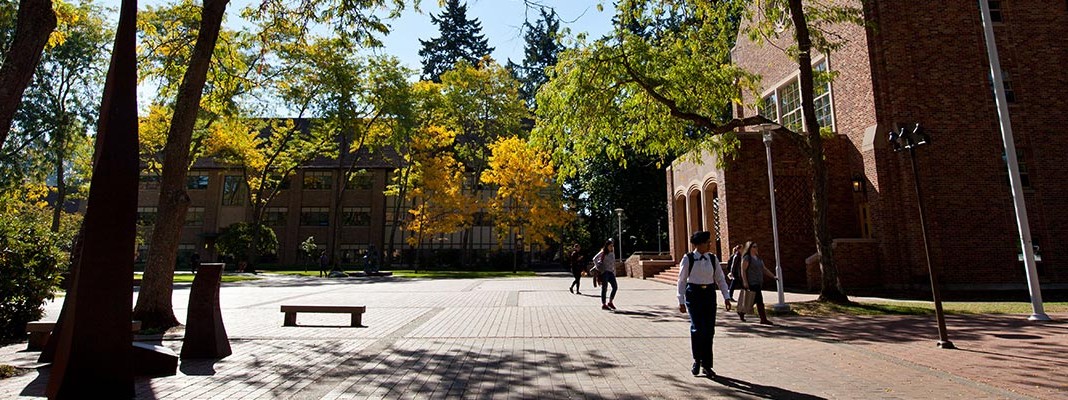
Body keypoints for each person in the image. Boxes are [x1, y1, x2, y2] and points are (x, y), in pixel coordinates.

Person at [677, 231, 732, 377]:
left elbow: (720, 279)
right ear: (699, 244)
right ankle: (697, 360)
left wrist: (726, 297)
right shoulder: (688, 258)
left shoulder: (712, 259)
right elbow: (682, 280)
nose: (709, 244)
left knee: (709, 330)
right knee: (697, 328)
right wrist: (680, 300)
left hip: (709, 294)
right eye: (707, 242)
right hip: (694, 294)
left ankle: (707, 365)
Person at [739, 241, 779, 325]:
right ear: (749, 248)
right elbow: (743, 270)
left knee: (752, 300)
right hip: (752, 282)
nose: (756, 248)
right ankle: (763, 319)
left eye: (756, 246)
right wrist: (745, 282)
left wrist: (773, 276)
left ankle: (742, 311)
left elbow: (764, 269)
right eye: (754, 246)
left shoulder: (758, 258)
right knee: (759, 300)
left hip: (759, 281)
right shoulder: (747, 258)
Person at [592, 238, 618, 310]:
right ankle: (604, 304)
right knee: (604, 288)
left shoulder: (613, 252)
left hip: (611, 272)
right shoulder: (603, 252)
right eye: (610, 246)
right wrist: (598, 267)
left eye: (612, 246)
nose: (611, 247)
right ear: (607, 246)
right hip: (604, 272)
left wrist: (614, 272)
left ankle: (610, 302)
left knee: (615, 287)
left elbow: (613, 263)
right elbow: (594, 259)